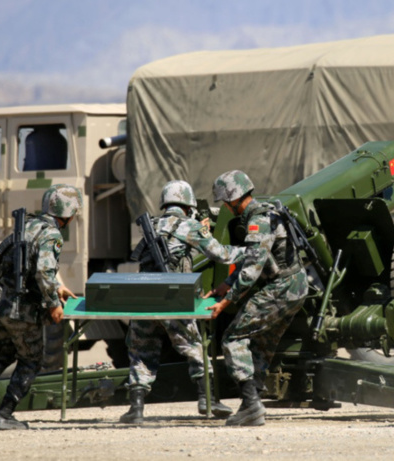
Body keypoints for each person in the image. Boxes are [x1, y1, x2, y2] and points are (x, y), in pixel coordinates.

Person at [0, 184, 82, 430]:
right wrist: (54, 304)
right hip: (21, 311)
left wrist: (57, 287)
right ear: (67, 213)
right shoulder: (52, 234)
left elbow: (25, 266)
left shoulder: (28, 226)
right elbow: (43, 270)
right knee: (31, 361)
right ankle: (5, 415)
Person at [120, 180, 245, 424]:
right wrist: (250, 251)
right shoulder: (188, 225)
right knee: (193, 346)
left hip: (143, 299)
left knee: (141, 351)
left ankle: (136, 408)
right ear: (188, 205)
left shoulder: (152, 225)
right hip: (172, 297)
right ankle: (206, 398)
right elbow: (220, 255)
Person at [204, 170, 309, 427]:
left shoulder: (258, 222)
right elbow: (255, 259)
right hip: (293, 286)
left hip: (282, 288)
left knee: (233, 337)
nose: (226, 208)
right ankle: (252, 405)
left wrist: (226, 301)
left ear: (234, 198)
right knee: (262, 342)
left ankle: (251, 404)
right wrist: (225, 285)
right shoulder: (264, 214)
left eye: (226, 202)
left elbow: (251, 270)